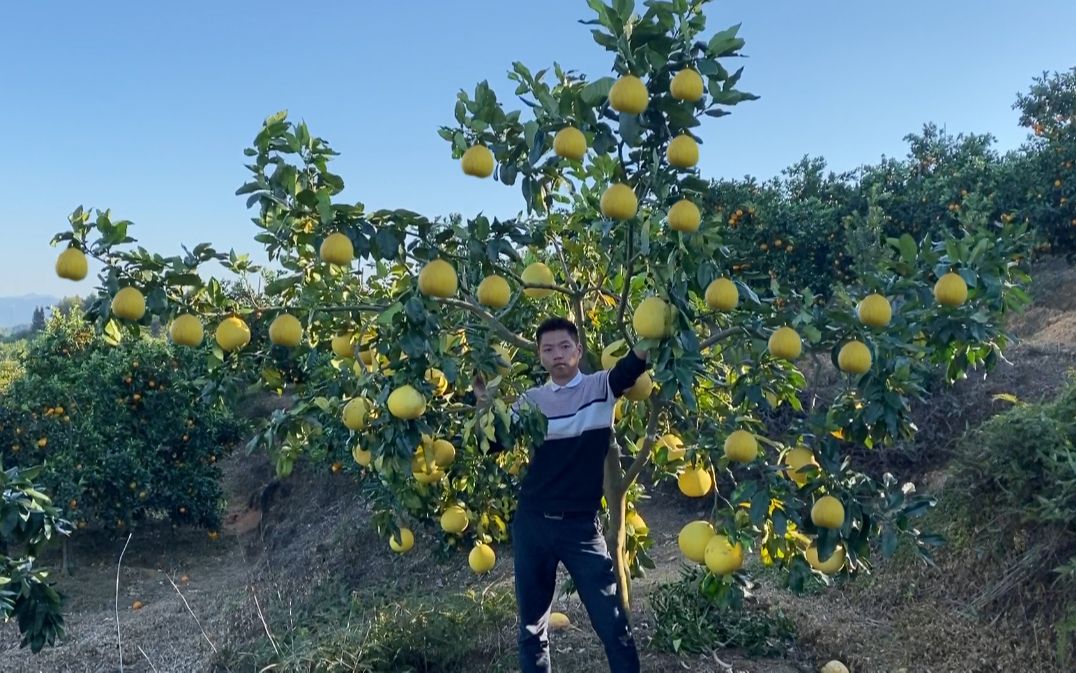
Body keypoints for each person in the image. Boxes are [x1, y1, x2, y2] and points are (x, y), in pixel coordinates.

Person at [473, 316, 650, 673]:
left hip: (581, 530)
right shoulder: (531, 401)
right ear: (540, 356)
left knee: (613, 624)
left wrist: (653, 332)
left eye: (564, 347)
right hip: (533, 524)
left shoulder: (601, 388)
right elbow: (492, 445)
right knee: (531, 628)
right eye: (548, 349)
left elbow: (631, 366)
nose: (557, 355)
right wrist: (482, 404)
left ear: (579, 351)